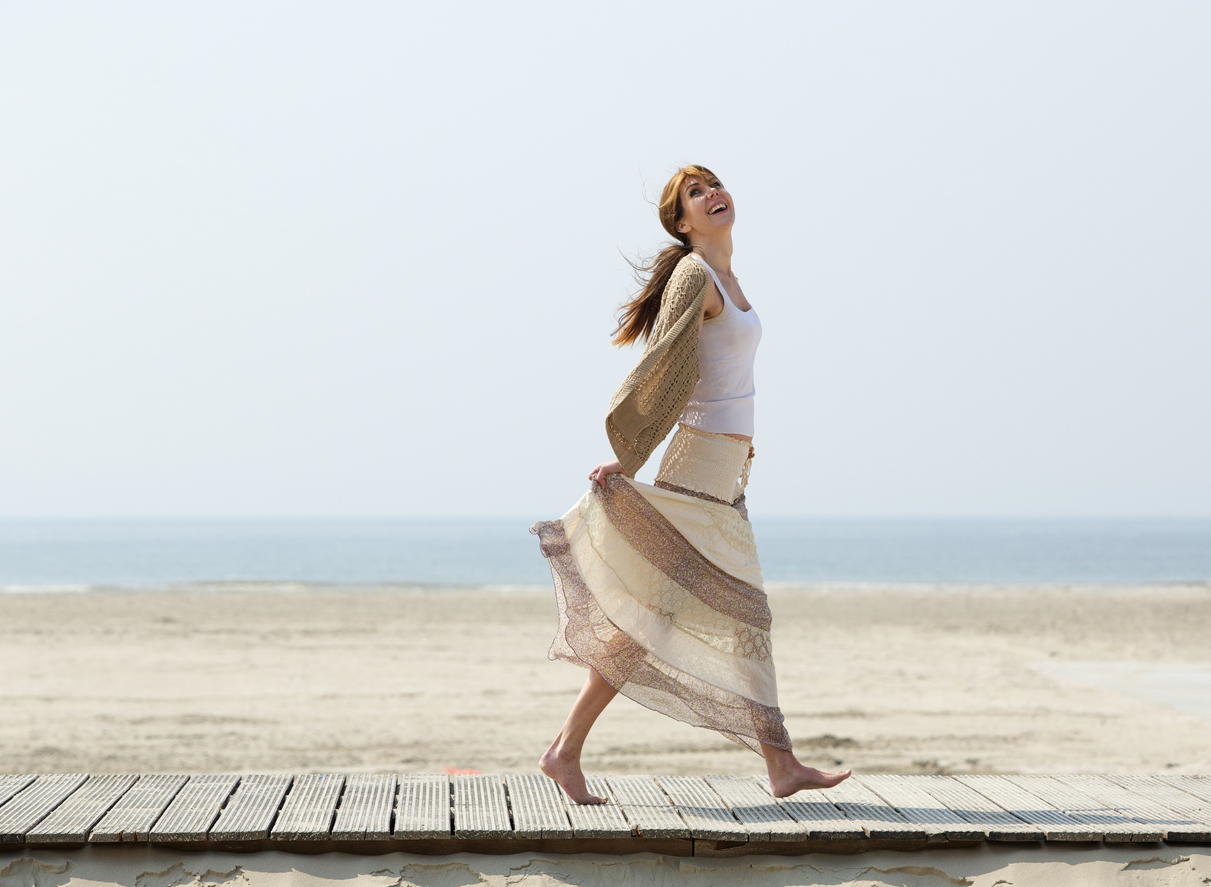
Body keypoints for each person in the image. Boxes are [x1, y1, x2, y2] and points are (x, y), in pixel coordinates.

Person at [530, 165, 851, 805]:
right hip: (698, 464)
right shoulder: (694, 276)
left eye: (715, 184)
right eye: (696, 194)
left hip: (726, 472)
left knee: (660, 617)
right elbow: (668, 366)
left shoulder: (728, 279)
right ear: (682, 222)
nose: (713, 194)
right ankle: (779, 765)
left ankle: (566, 751)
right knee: (735, 616)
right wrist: (632, 455)